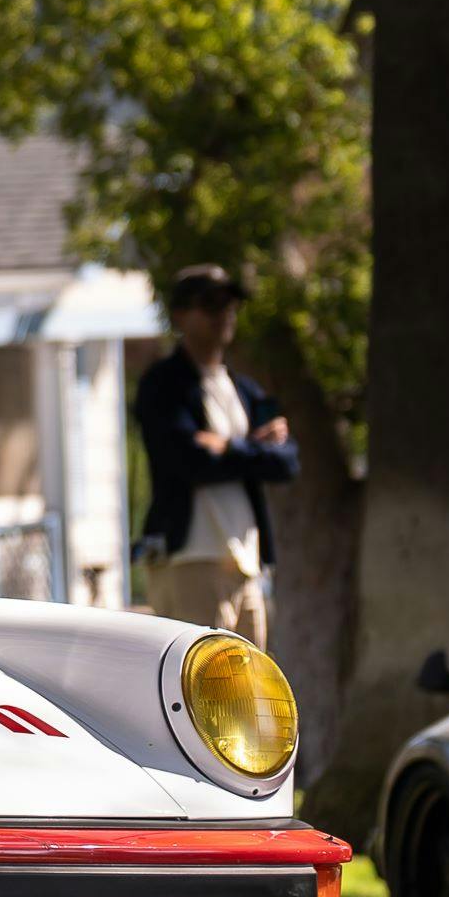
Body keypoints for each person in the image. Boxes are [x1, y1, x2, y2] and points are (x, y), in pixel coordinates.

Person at [133, 266, 298, 644]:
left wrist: (228, 445)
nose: (224, 313)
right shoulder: (163, 384)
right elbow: (188, 460)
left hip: (247, 563)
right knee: (202, 694)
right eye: (210, 303)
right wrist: (256, 448)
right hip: (191, 559)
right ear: (180, 315)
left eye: (231, 304)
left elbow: (287, 460)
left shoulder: (242, 388)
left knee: (249, 695)